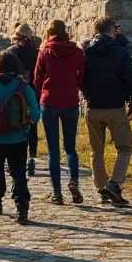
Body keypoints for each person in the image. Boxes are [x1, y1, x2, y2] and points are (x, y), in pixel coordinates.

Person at [82, 17, 132, 207]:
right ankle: (114, 184)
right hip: (115, 106)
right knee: (124, 147)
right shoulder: (121, 53)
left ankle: (102, 189)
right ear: (112, 31)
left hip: (92, 107)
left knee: (96, 150)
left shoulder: (86, 53)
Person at [0, 50, 40, 224]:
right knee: (18, 172)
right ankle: (21, 207)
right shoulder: (24, 87)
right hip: (18, 137)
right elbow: (35, 114)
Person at [32, 19, 85, 205]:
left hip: (49, 102)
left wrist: (40, 93)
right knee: (70, 148)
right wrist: (72, 87)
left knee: (53, 150)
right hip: (70, 101)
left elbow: (37, 78)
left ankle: (56, 193)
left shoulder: (45, 51)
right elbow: (81, 77)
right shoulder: (77, 52)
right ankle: (73, 181)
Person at [7, 22, 42, 176]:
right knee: (32, 125)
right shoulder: (37, 53)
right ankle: (31, 158)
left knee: (14, 124)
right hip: (33, 92)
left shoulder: (11, 52)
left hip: (14, 92)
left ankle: (15, 158)